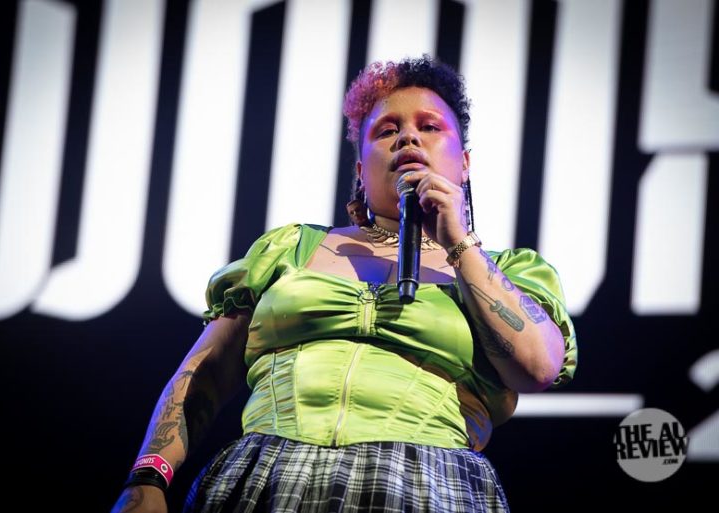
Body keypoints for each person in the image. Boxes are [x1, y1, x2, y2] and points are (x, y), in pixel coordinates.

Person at [111, 55, 577, 513]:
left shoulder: (506, 270)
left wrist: (458, 244)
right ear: (360, 170)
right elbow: (204, 371)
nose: (408, 136)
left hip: (425, 482)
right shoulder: (292, 248)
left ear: (465, 163)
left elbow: (537, 366)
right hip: (268, 474)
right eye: (386, 130)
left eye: (430, 126)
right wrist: (147, 478)